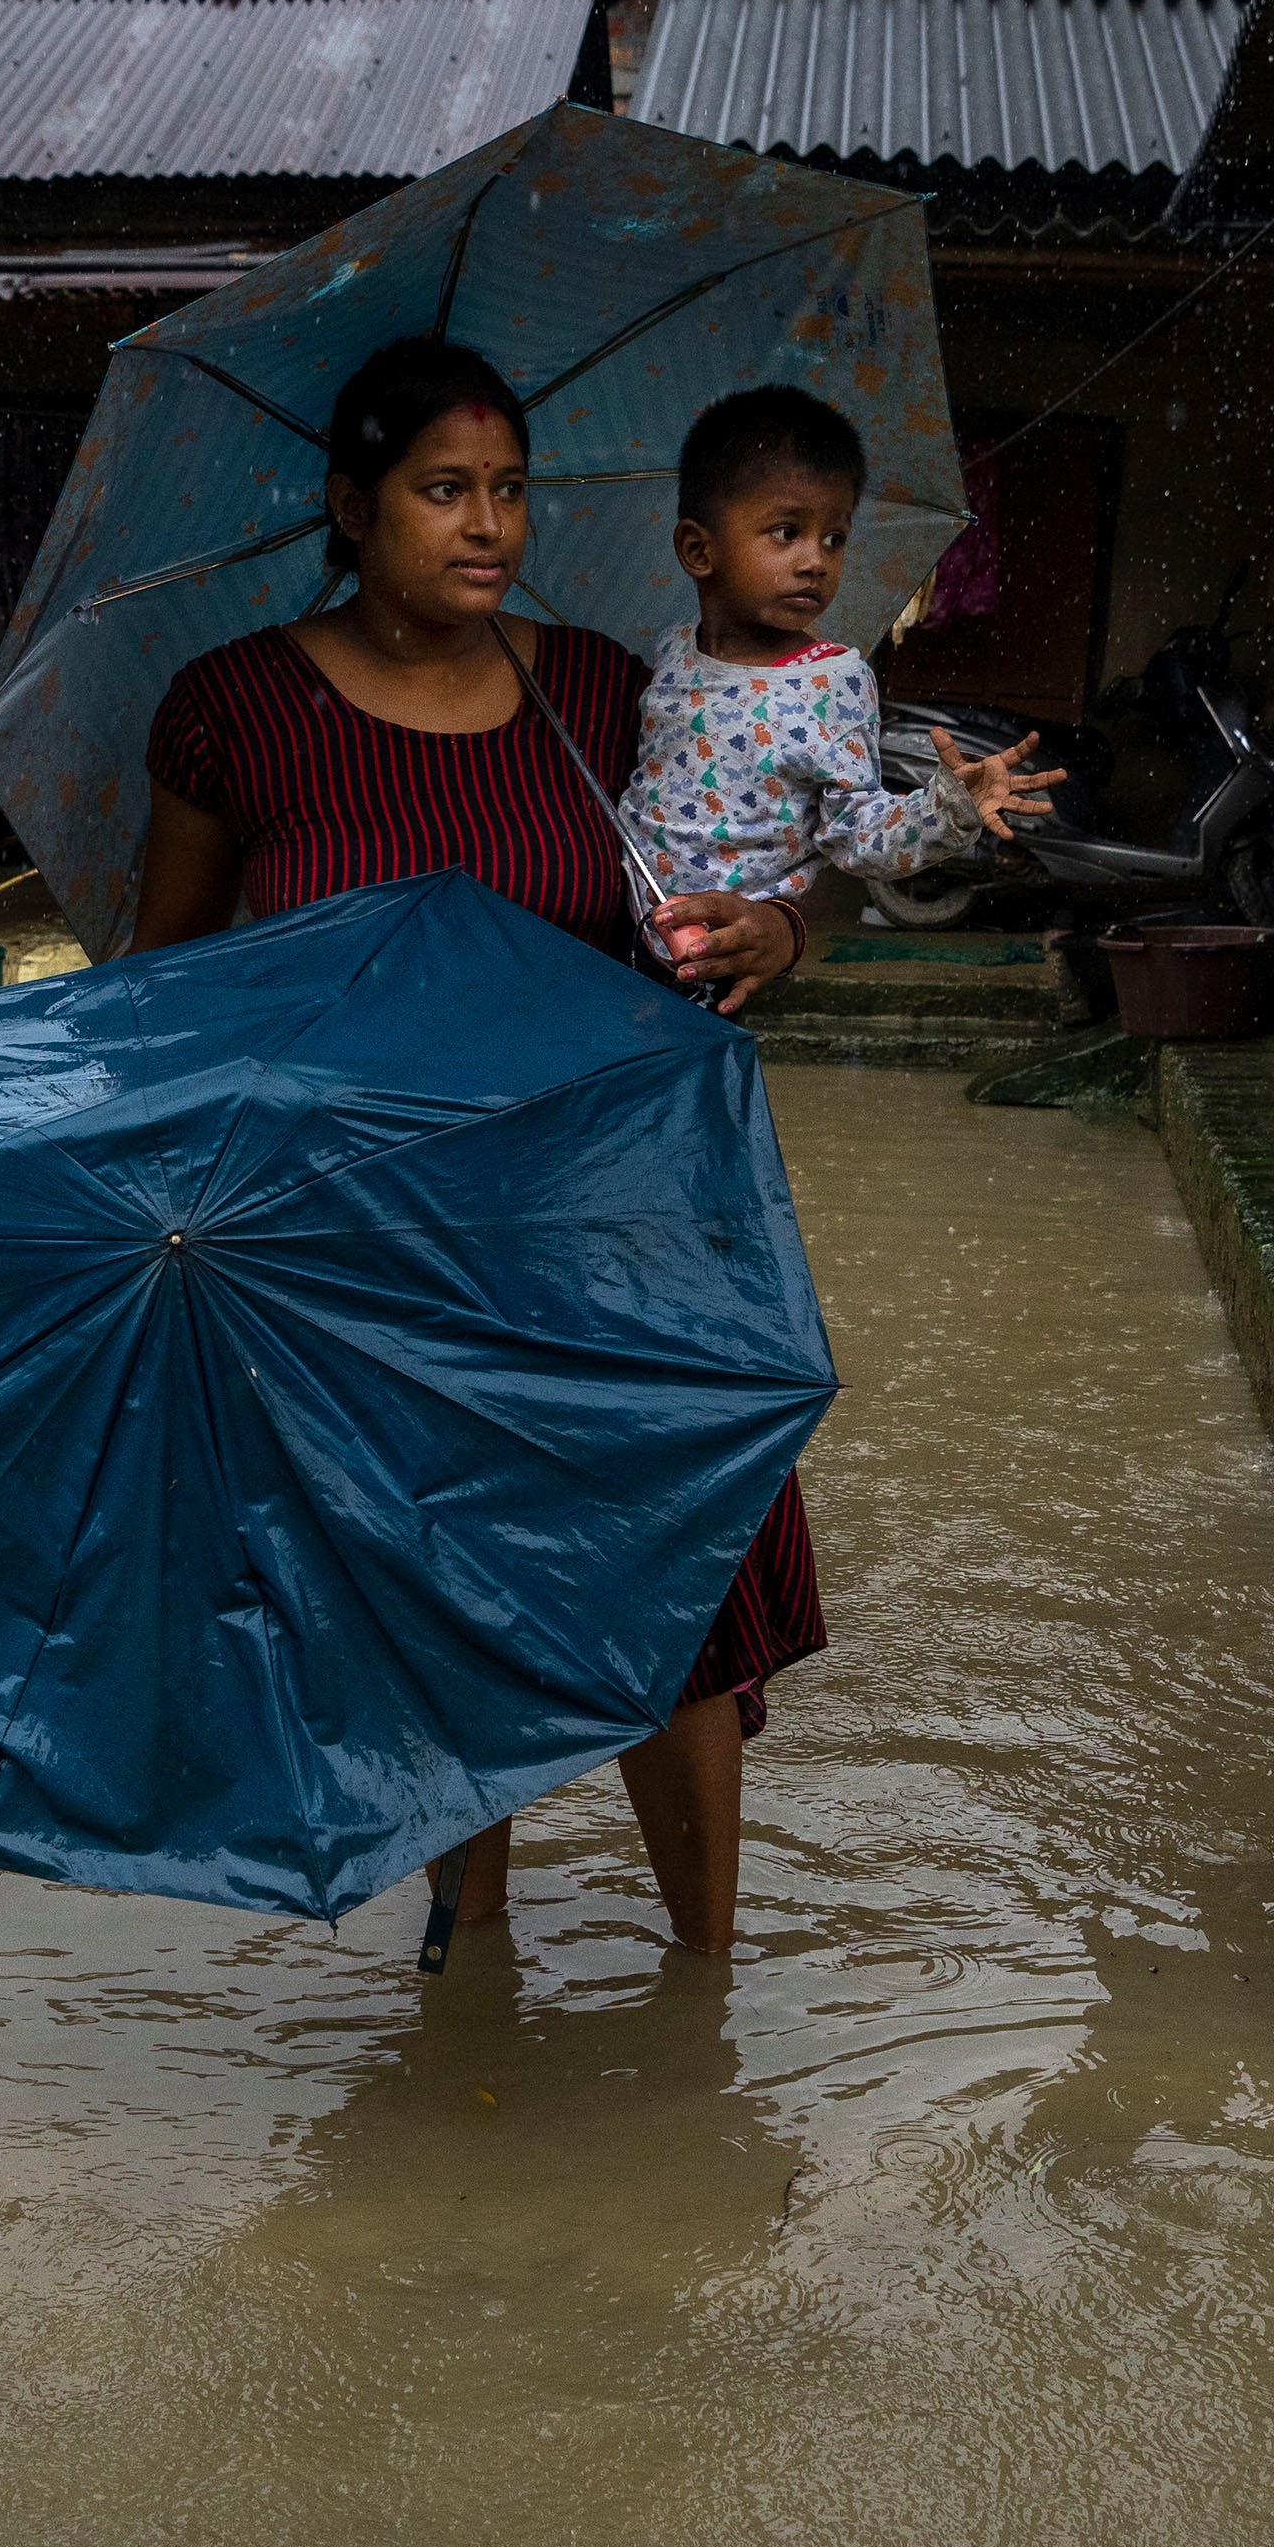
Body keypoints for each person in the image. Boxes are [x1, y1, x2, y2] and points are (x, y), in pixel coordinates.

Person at [121, 335, 816, 1970]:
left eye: (508, 490)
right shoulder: (233, 710)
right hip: (368, 1243)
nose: (487, 524)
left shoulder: (593, 692)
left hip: (612, 1221)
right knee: (433, 1586)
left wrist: (774, 927)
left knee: (683, 1581)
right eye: (445, 491)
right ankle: (469, 1926)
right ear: (353, 505)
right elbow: (164, 992)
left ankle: (703, 1973)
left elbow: (739, 890)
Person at [631, 386, 1063, 908]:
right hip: (623, 922)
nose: (816, 560)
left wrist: (948, 808)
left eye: (834, 538)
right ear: (700, 550)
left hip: (731, 950)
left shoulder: (832, 682)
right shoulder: (675, 648)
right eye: (786, 532)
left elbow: (858, 832)